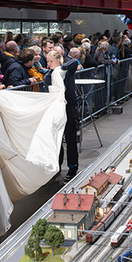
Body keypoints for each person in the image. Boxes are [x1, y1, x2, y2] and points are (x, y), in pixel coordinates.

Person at [43, 50, 79, 180]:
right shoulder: (48, 76)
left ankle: (73, 167)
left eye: (51, 61)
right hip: (56, 112)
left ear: (58, 60)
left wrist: (62, 68)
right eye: (47, 61)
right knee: (56, 140)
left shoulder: (66, 73)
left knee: (70, 140)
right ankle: (56, 167)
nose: (48, 64)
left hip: (69, 110)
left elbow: (75, 62)